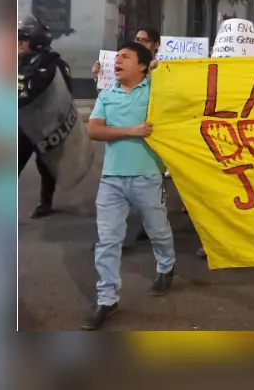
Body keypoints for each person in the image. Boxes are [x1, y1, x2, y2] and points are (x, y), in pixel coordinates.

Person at [83, 41, 176, 330]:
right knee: (108, 240)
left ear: (143, 66)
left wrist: (165, 72)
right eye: (117, 56)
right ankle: (107, 298)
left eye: (126, 56)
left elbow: (187, 92)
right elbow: (94, 130)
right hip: (111, 180)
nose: (117, 60)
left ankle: (166, 266)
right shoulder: (107, 95)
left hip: (148, 177)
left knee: (157, 230)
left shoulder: (155, 92)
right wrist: (131, 131)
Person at [92, 28, 168, 244]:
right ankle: (111, 246)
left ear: (155, 45)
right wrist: (98, 78)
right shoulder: (111, 89)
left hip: (149, 168)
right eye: (137, 39)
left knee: (158, 228)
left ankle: (163, 258)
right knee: (109, 232)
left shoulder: (159, 76)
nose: (140, 42)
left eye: (144, 40)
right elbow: (106, 111)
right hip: (114, 171)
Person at [18, 16, 73, 219]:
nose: (20, 42)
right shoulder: (20, 61)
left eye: (24, 38)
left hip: (44, 128)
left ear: (37, 39)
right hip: (22, 125)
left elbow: (64, 94)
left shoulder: (55, 63)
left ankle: (45, 201)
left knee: (46, 166)